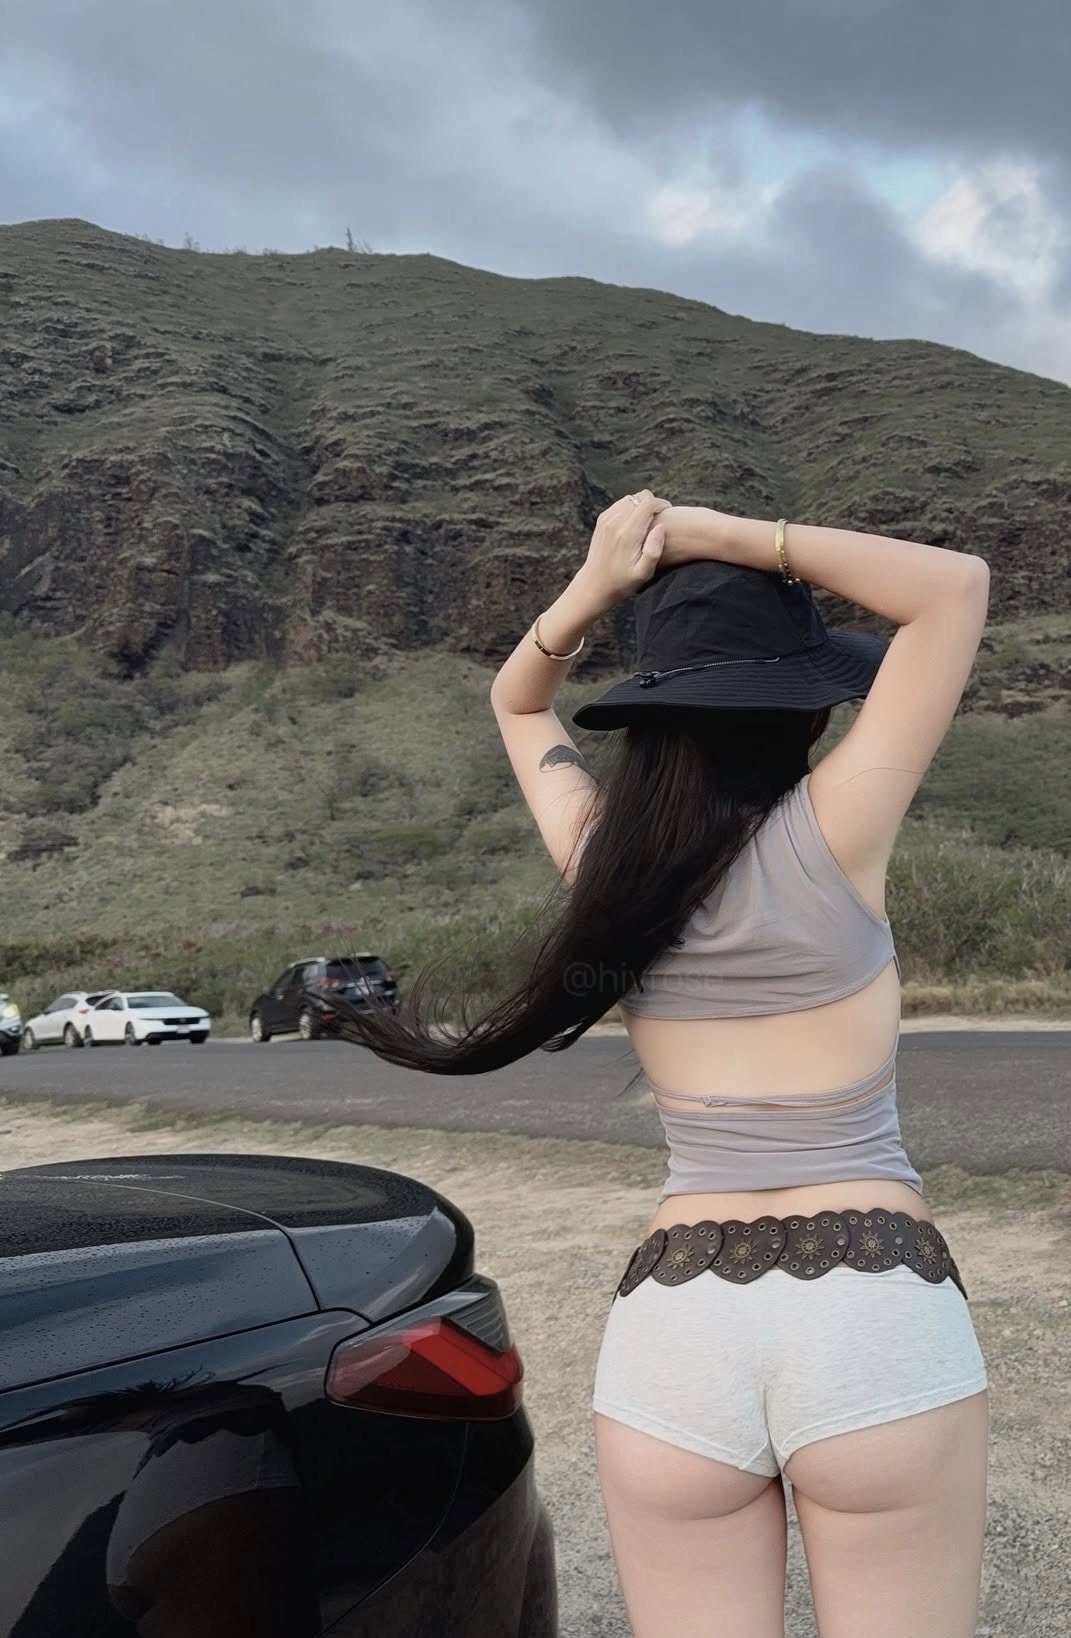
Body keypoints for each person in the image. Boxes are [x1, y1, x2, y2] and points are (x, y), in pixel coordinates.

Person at [328, 491, 991, 1638]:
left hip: (678, 1325)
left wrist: (601, 581)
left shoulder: (605, 866)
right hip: (872, 1308)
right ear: (804, 709)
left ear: (648, 718)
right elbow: (954, 589)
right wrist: (725, 535)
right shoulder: (840, 827)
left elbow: (515, 698)